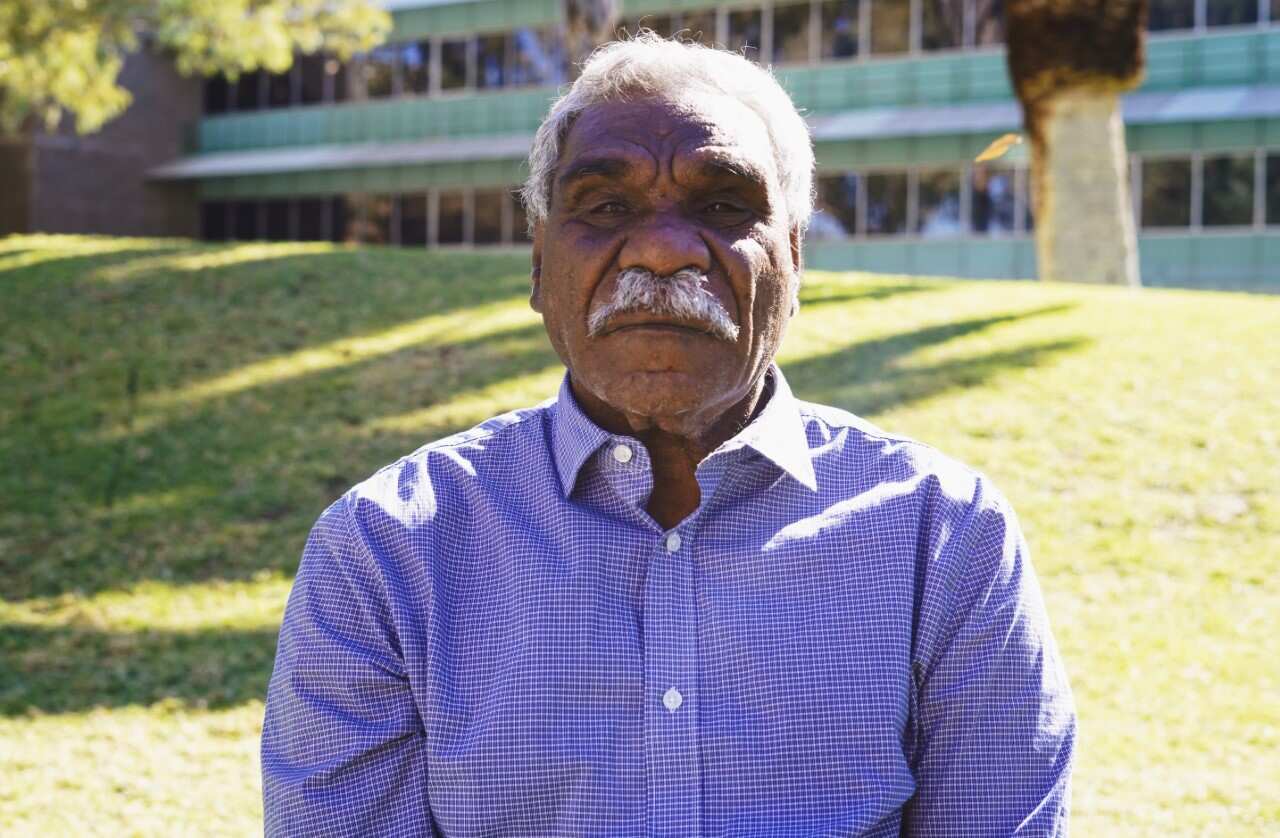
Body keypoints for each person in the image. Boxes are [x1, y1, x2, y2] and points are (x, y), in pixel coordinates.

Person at [261, 34, 1075, 837]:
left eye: (722, 206)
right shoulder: (385, 553)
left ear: (792, 261)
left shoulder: (944, 537)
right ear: (539, 264)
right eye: (606, 207)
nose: (661, 249)